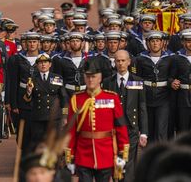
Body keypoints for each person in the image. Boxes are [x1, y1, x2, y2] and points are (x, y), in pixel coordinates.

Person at [66, 59, 129, 182]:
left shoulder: (112, 98)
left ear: (100, 78)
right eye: (88, 76)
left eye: (93, 77)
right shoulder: (76, 99)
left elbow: (120, 127)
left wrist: (122, 154)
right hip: (83, 154)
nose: (90, 80)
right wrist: (70, 156)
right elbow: (71, 131)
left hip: (106, 154)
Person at [102, 49, 148, 181]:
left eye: (123, 60)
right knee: (117, 160)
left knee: (129, 161)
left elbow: (142, 107)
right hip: (113, 128)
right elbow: (103, 106)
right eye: (118, 61)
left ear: (129, 62)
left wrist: (144, 132)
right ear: (114, 63)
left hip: (131, 128)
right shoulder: (107, 82)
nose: (120, 63)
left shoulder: (138, 81)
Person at [21, 53, 67, 154]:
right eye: (40, 63)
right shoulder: (32, 79)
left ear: (50, 64)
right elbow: (27, 100)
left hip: (54, 117)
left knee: (54, 144)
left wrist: (64, 116)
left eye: (45, 62)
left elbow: (63, 98)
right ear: (37, 65)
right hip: (38, 117)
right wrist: (29, 92)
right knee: (38, 144)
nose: (43, 65)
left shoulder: (57, 78)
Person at [133, 31, 173, 143]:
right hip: (146, 96)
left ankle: (162, 157)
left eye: (157, 41)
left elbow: (172, 76)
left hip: (164, 97)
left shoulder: (170, 58)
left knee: (161, 129)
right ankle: (150, 156)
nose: (155, 43)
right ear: (148, 43)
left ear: (162, 43)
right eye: (152, 41)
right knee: (148, 129)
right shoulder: (140, 59)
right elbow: (137, 78)